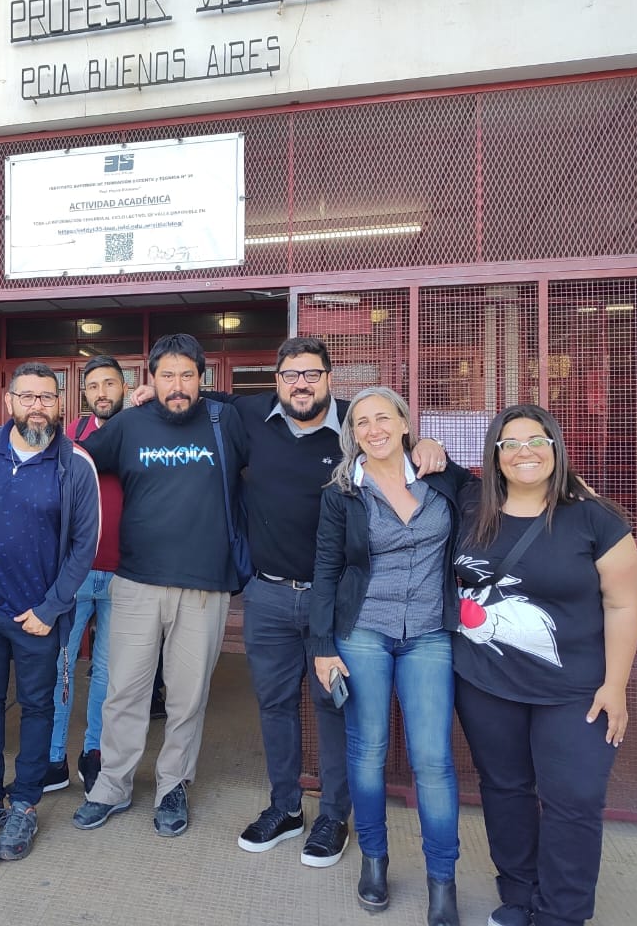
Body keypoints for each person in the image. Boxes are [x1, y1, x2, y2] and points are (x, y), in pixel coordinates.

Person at [138, 337, 444, 865]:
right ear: (277, 380)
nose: (301, 384)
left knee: (332, 706)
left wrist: (428, 443)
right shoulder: (251, 415)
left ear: (329, 377)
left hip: (339, 602)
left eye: (311, 374)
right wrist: (150, 391)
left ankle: (334, 816)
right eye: (290, 375)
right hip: (269, 595)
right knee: (275, 705)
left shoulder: (355, 425)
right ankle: (285, 807)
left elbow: (395, 439)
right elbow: (199, 397)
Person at [452, 405, 637, 926]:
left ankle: (562, 913)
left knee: (573, 798)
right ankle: (519, 893)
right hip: (486, 682)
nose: (524, 452)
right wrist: (423, 447)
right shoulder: (471, 504)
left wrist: (616, 685)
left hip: (575, 689)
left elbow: (622, 606)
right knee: (505, 788)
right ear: (494, 455)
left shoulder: (596, 519)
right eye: (510, 444)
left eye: (536, 441)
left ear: (555, 447)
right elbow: (421, 465)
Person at [72, 333, 248, 838]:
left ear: (202, 379)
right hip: (136, 583)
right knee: (124, 692)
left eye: (188, 375)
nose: (177, 386)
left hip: (205, 586)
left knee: (187, 697)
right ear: (150, 378)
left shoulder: (224, 421)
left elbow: (283, 409)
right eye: (167, 376)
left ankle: (173, 785)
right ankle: (112, 784)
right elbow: (73, 465)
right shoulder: (128, 425)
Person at [310, 387, 470, 925]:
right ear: (352, 434)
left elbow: (503, 489)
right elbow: (326, 570)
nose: (373, 429)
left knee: (433, 759)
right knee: (367, 751)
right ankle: (374, 861)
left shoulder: (440, 476)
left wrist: (437, 447)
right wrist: (322, 646)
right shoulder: (343, 493)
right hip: (363, 631)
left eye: (383, 417)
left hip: (428, 632)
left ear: (404, 422)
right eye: (361, 422)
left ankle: (442, 880)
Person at [0, 362, 100, 861]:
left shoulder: (75, 464)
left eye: (47, 397)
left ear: (59, 404)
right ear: (9, 401)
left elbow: (84, 546)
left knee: (38, 707)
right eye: (28, 396)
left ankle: (25, 803)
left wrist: (51, 608)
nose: (38, 406)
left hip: (38, 618)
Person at [45, 355, 127, 795]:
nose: (101, 392)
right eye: (93, 385)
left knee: (107, 675)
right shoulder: (71, 436)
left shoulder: (139, 431)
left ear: (124, 387)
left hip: (124, 575)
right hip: (74, 573)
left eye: (109, 383)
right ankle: (54, 757)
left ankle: (94, 752)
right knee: (60, 667)